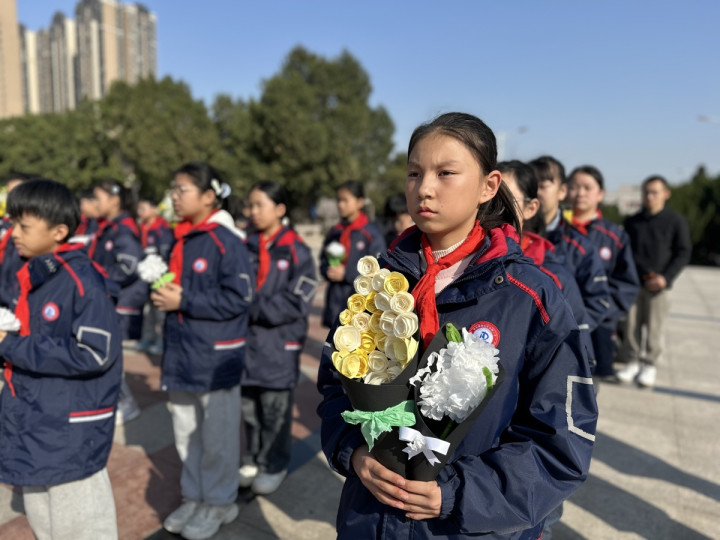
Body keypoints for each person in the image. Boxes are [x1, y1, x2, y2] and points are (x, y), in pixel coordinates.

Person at [317, 112, 598, 539]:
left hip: (467, 526)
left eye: (445, 173)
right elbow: (335, 386)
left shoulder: (530, 297)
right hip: (371, 521)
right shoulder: (381, 284)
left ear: (489, 185)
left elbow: (559, 443)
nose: (424, 189)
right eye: (414, 173)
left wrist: (455, 493)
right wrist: (354, 451)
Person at [0, 179, 122, 540]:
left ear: (59, 232)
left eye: (24, 226)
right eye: (13, 223)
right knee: (45, 521)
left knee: (81, 525)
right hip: (38, 417)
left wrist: (11, 345)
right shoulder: (36, 274)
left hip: (69, 426)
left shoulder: (80, 280)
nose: (14, 233)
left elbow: (94, 352)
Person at [151, 162, 253, 540]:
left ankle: (220, 502)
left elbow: (240, 297)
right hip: (182, 353)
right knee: (186, 434)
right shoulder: (180, 237)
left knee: (217, 439)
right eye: (173, 189)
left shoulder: (226, 240)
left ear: (209, 196)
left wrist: (184, 300)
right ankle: (194, 496)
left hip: (215, 357)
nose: (174, 197)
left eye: (182, 190)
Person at [498, 160, 593, 540]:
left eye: (504, 198)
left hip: (526, 451)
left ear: (531, 207)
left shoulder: (553, 278)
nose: (490, 208)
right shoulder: (460, 272)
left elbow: (571, 387)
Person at [240, 181, 317, 495]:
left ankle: (274, 464)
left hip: (278, 343)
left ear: (280, 209)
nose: (253, 211)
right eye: (251, 205)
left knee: (274, 409)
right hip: (247, 342)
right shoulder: (246, 245)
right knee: (248, 407)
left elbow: (297, 301)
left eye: (260, 204)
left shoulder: (296, 250)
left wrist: (250, 306)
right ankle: (252, 458)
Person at [566, 166, 640, 382]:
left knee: (591, 386)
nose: (580, 193)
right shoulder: (554, 231)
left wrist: (600, 313)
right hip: (558, 323)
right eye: (574, 187)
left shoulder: (614, 236)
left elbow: (626, 283)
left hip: (599, 328)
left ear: (600, 194)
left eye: (587, 188)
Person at [617, 175, 691, 387]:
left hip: (659, 284)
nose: (649, 196)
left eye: (654, 192)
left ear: (666, 194)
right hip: (634, 283)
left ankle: (649, 364)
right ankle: (631, 361)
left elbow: (683, 252)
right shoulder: (632, 222)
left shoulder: (676, 221)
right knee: (630, 325)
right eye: (646, 192)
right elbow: (624, 251)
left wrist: (666, 278)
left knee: (654, 327)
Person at [529, 156, 611, 336]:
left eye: (543, 186)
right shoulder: (510, 239)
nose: (536, 192)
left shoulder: (579, 245)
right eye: (530, 186)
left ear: (562, 191)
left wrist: (570, 332)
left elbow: (597, 301)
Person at [89, 179, 146, 424]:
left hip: (120, 301)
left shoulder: (123, 229)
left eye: (98, 198)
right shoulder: (109, 226)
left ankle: (125, 402)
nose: (94, 203)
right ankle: (120, 400)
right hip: (111, 299)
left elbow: (128, 265)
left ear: (114, 200)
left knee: (110, 355)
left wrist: (97, 278)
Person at [320, 180, 385, 328]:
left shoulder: (371, 233)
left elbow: (378, 268)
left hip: (360, 303)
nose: (340, 205)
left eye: (345, 200)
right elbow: (323, 260)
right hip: (336, 301)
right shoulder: (335, 231)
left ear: (359, 202)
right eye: (338, 200)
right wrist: (327, 270)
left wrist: (347, 273)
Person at [137, 195, 174, 355]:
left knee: (160, 311)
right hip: (146, 277)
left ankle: (162, 341)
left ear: (154, 210)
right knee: (148, 311)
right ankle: (148, 338)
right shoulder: (142, 227)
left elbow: (166, 254)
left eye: (143, 208)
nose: (140, 212)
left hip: (161, 277)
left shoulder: (162, 229)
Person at [0, 173, 36, 305]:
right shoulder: (9, 228)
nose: (11, 198)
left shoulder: (37, 233)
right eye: (9, 194)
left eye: (17, 192)